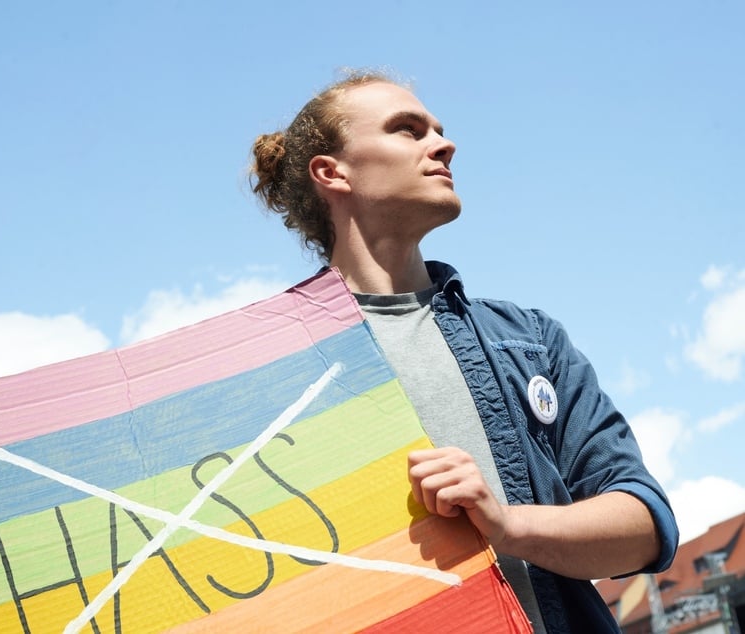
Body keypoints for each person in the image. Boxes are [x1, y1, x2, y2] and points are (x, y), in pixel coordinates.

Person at [250, 71, 678, 633]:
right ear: (333, 173)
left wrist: (507, 525)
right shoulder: (270, 371)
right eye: (407, 130)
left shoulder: (529, 340)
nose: (444, 143)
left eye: (439, 130)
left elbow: (645, 528)